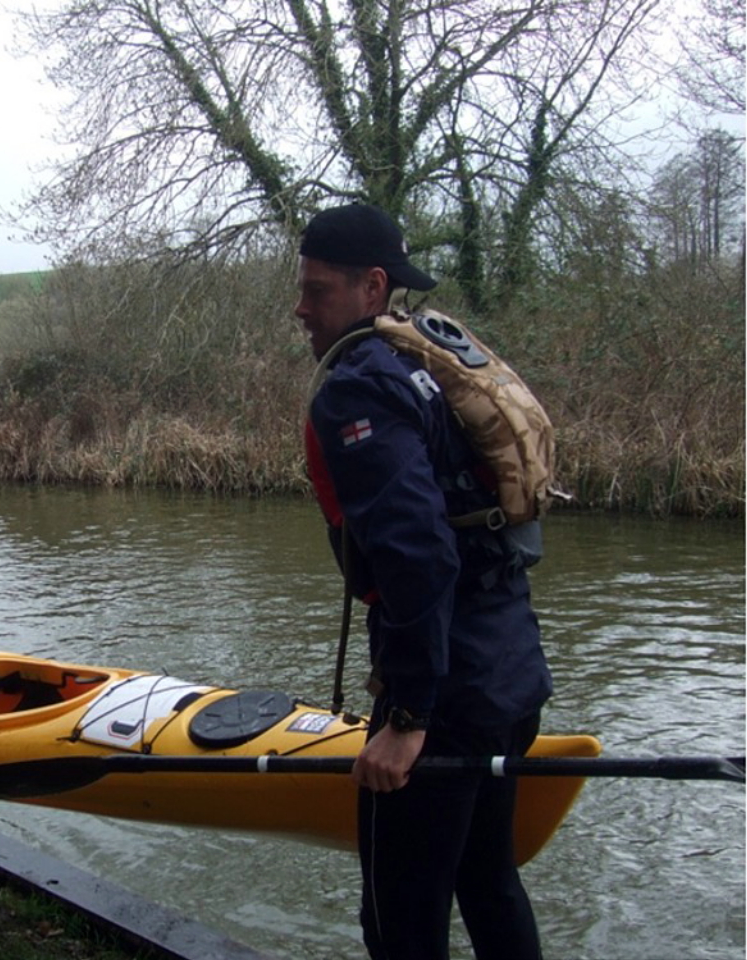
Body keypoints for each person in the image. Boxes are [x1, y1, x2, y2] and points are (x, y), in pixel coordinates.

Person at [294, 203, 553, 960]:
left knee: (401, 925)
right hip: (509, 675)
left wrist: (407, 717)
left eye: (317, 290)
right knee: (489, 884)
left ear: (373, 287)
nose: (301, 307)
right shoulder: (425, 365)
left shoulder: (360, 387)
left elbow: (418, 554)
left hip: (445, 697)